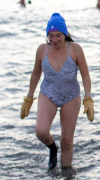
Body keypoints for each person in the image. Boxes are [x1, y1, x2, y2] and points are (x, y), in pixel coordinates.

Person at [20, 13, 94, 170]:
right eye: (50, 36)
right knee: (41, 131)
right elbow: (35, 74)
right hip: (48, 94)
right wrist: (29, 97)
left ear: (65, 34)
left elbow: (85, 75)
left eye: (58, 35)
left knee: (67, 141)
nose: (54, 40)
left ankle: (67, 179)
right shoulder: (42, 50)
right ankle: (52, 148)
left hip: (71, 97)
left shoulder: (75, 49)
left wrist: (88, 97)